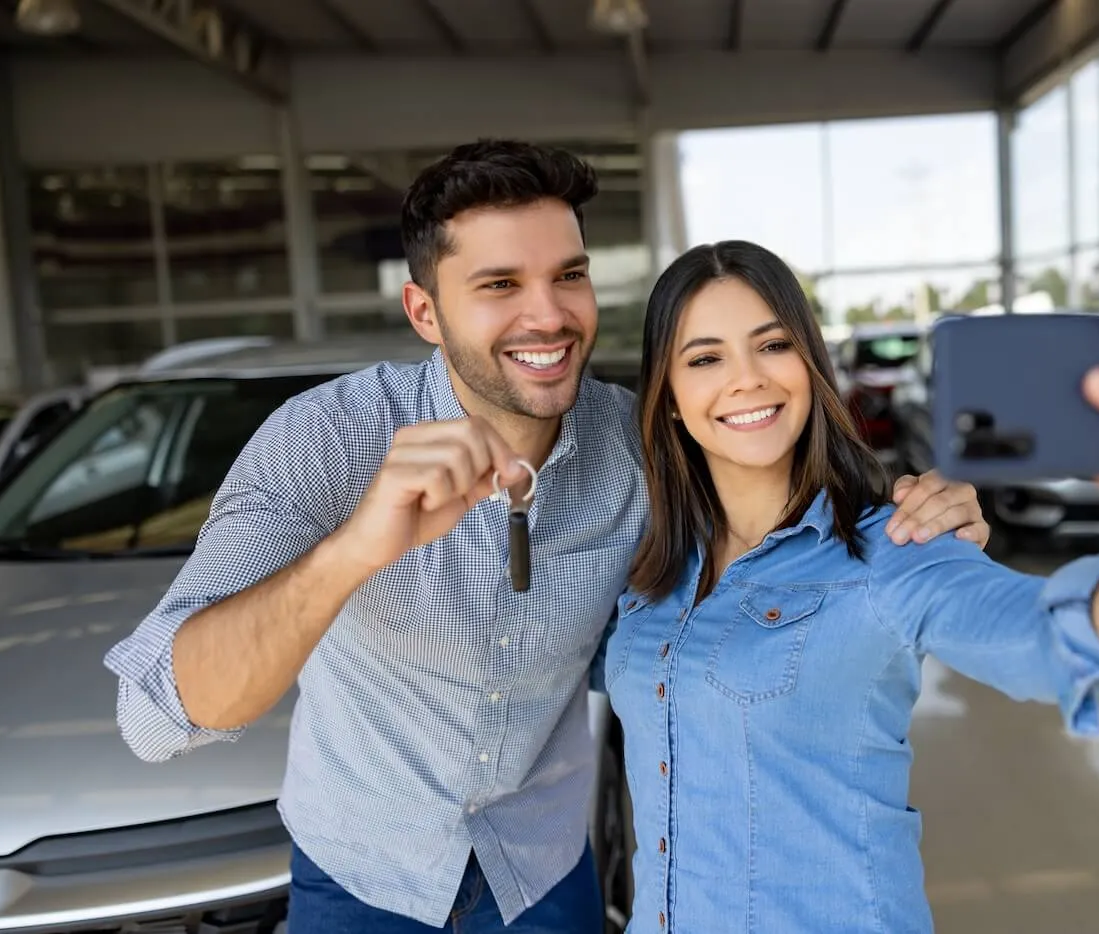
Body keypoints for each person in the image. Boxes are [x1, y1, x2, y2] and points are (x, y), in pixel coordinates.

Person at [102, 141, 990, 934]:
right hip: (363, 877)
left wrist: (913, 524)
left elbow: (761, 551)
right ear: (423, 311)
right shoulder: (326, 441)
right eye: (499, 286)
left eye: (568, 275)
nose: (550, 316)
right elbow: (154, 717)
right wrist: (354, 549)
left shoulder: (639, 448)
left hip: (543, 875)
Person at [604, 240, 1099, 933]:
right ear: (667, 399)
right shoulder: (648, 572)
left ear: (812, 367)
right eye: (704, 358)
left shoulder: (894, 551)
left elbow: (1049, 639)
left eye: (774, 345)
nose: (747, 378)